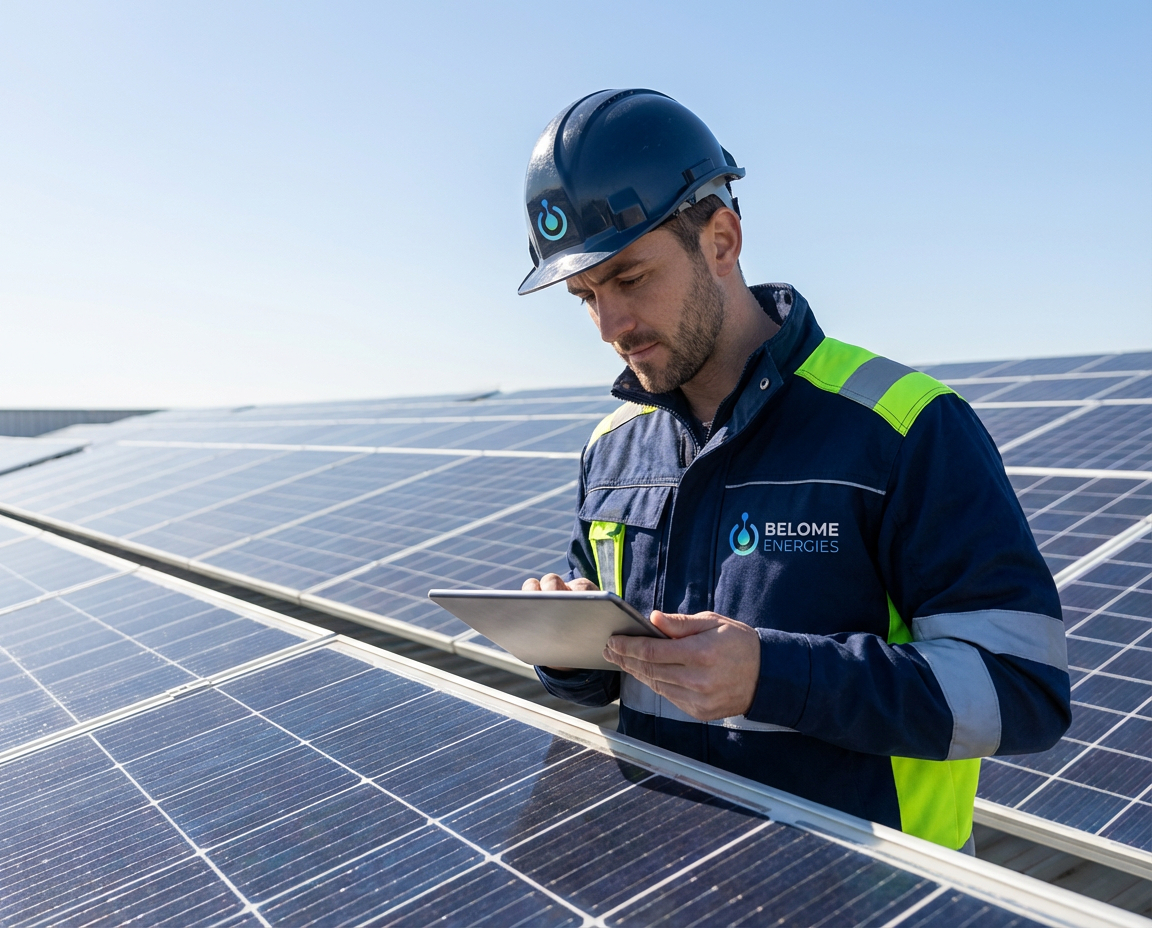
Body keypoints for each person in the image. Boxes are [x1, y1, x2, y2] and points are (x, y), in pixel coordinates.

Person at [518, 89, 1070, 854]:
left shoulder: (904, 426)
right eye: (584, 296)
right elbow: (622, 680)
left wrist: (772, 674)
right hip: (669, 882)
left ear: (721, 239)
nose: (611, 327)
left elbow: (1022, 693)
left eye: (630, 278)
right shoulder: (613, 447)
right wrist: (567, 653)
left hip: (873, 898)